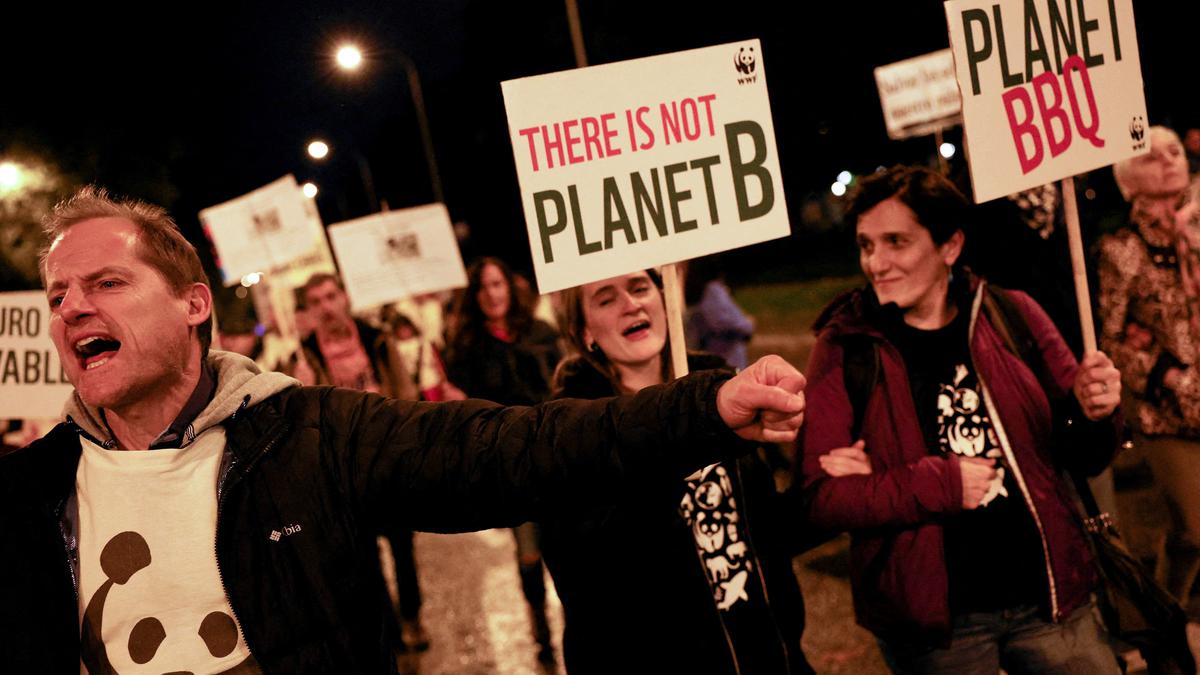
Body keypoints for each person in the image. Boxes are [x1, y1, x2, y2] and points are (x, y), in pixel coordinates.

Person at [0, 187, 807, 673]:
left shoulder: (310, 433)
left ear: (194, 303)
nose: (72, 307)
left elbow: (521, 448)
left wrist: (706, 407)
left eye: (106, 282)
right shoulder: (35, 491)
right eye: (59, 293)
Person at [799, 166, 1124, 674]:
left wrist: (1097, 412)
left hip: (1051, 603)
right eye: (866, 245)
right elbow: (821, 499)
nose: (876, 263)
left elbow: (1086, 455)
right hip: (937, 631)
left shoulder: (1013, 315)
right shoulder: (846, 347)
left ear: (949, 246)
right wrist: (939, 483)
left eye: (896, 242)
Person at [541, 269, 843, 674]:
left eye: (640, 287)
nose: (631, 304)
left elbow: (757, 535)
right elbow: (590, 594)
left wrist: (830, 494)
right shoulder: (569, 435)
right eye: (606, 298)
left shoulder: (720, 395)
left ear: (665, 302)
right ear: (585, 332)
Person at [296, 272, 430, 653]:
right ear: (309, 310)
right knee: (364, 560)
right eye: (316, 301)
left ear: (345, 297)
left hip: (386, 465)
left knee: (404, 550)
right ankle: (389, 632)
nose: (326, 306)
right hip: (342, 475)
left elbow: (406, 395)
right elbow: (305, 419)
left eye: (330, 296)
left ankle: (412, 617)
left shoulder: (376, 338)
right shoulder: (306, 353)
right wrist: (302, 385)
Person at [1099, 125, 1200, 611]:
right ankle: (1166, 625)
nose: (1167, 159)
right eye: (1149, 155)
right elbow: (1107, 338)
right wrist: (1164, 375)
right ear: (1126, 182)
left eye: (1174, 150)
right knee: (1195, 531)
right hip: (1170, 413)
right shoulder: (1124, 250)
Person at [443, 256, 562, 661]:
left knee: (568, 548)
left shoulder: (542, 334)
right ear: (475, 297)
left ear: (510, 288)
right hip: (511, 470)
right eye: (484, 288)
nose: (493, 294)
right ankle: (540, 625)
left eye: (498, 284)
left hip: (557, 459)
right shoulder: (468, 350)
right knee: (529, 555)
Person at [685, 255, 755, 371]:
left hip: (722, 355)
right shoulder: (713, 290)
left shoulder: (706, 291)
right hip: (725, 357)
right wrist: (747, 325)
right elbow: (721, 321)